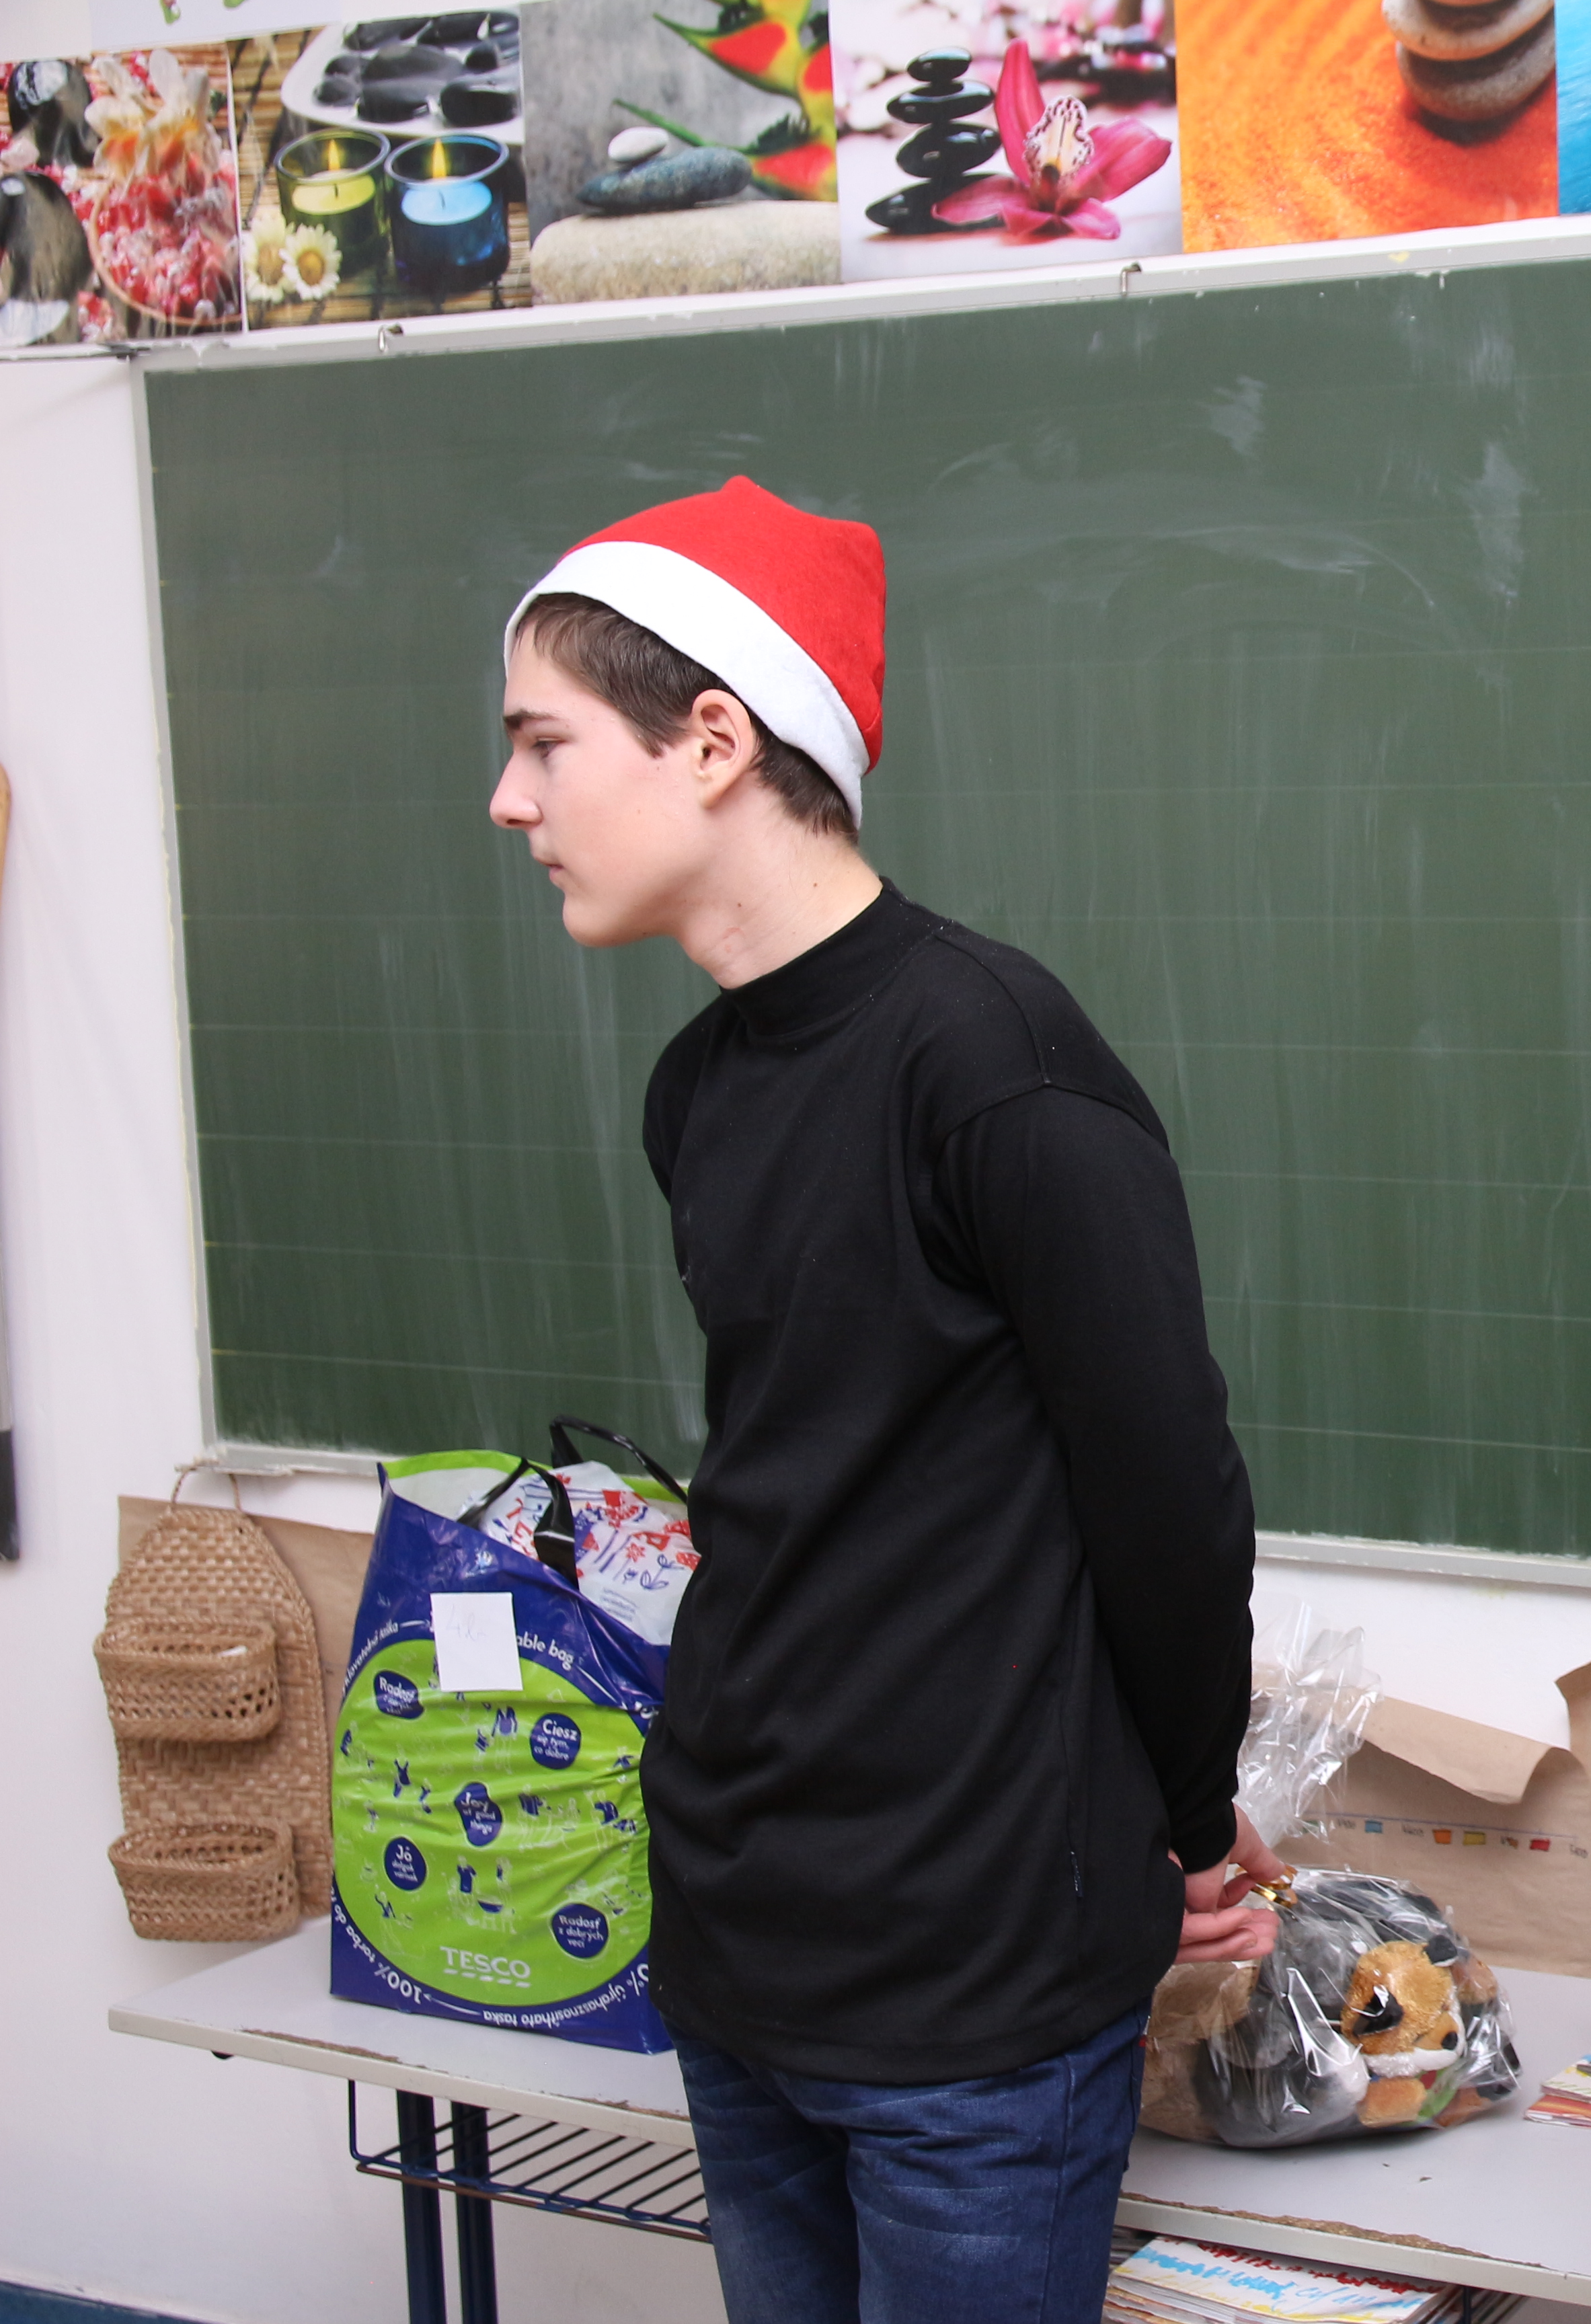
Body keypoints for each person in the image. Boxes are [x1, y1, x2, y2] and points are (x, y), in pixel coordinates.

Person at [487, 477, 1286, 2324]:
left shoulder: (994, 1067)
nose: (510, 800)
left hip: (971, 1978)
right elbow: (815, 1493)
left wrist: (1184, 1823)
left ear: (713, 742)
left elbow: (1167, 1498)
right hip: (743, 1940)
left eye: (544, 741)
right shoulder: (699, 1088)